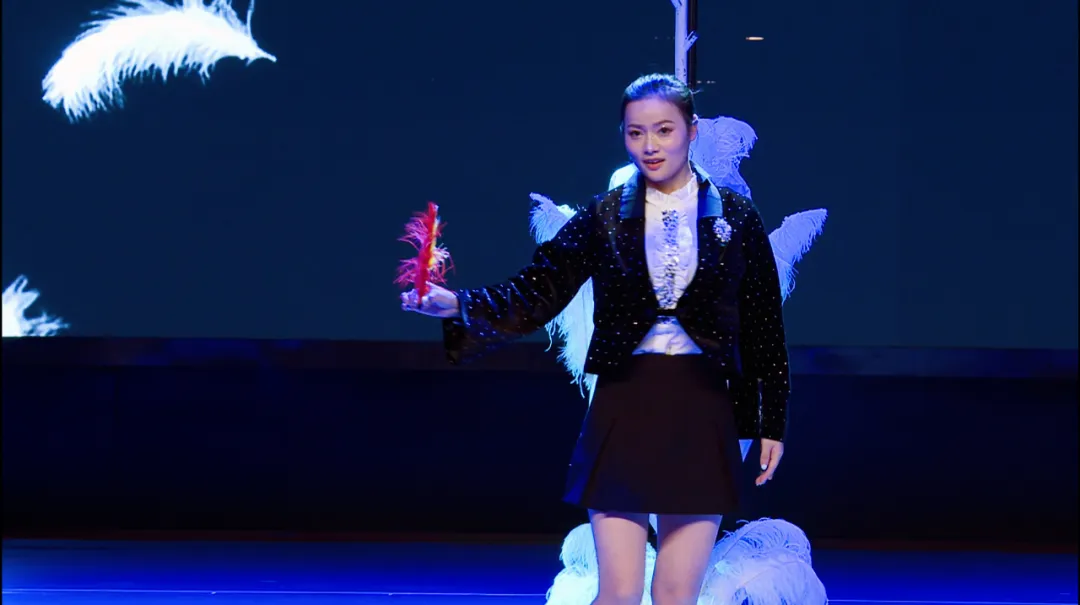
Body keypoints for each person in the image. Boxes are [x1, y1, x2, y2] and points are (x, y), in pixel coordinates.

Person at [400, 73, 789, 605]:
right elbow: (539, 288)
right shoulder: (603, 215)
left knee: (676, 596)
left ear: (691, 131)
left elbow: (764, 324)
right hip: (624, 405)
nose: (650, 145)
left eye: (664, 130)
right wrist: (457, 304)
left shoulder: (737, 218)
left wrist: (772, 421)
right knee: (618, 595)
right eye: (635, 132)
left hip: (703, 407)